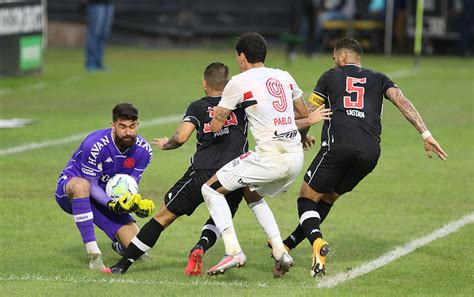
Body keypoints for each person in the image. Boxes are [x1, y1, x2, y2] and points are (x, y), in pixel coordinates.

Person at [277, 37, 448, 278]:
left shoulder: (329, 76)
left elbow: (310, 111)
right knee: (327, 198)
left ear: (343, 57)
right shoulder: (379, 78)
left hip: (338, 147)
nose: (333, 60)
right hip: (370, 154)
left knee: (306, 198)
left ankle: (316, 243)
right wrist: (425, 133)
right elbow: (402, 101)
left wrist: (302, 134)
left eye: (335, 56)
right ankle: (286, 245)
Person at [200, 32, 331, 277]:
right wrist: (298, 130)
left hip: (269, 158)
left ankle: (233, 251)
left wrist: (223, 113)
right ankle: (281, 251)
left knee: (209, 189)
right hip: (294, 158)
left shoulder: (238, 82)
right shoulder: (284, 75)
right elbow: (302, 113)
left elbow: (217, 125)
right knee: (251, 192)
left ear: (241, 57)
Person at [103, 62, 249, 275]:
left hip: (202, 173)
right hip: (236, 172)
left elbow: (181, 137)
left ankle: (121, 266)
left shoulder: (198, 106)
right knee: (222, 216)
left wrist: (166, 144)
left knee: (163, 217)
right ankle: (200, 246)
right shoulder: (241, 104)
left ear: (204, 83)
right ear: (227, 85)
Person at [55, 103, 155, 270]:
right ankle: (94, 255)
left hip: (105, 195)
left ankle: (120, 246)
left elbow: (131, 185)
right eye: (122, 127)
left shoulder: (144, 151)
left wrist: (135, 205)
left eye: (132, 126)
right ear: (113, 125)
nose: (128, 132)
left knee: (138, 248)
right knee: (82, 186)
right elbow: (92, 185)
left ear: (138, 125)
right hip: (72, 190)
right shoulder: (95, 145)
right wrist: (111, 204)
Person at [84, 0, 115, 71]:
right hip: (96, 3)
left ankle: (98, 62)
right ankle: (90, 63)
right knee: (95, 33)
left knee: (103, 34)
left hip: (108, 3)